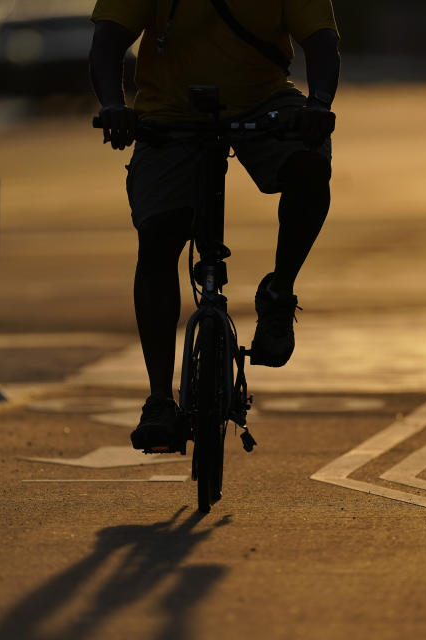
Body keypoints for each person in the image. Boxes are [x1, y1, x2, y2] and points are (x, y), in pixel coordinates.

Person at [89, 0, 340, 451]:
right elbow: (107, 41)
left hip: (264, 103)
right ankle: (161, 399)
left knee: (309, 168)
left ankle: (279, 294)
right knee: (159, 239)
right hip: (169, 114)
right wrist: (113, 104)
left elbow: (321, 41)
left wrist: (318, 104)